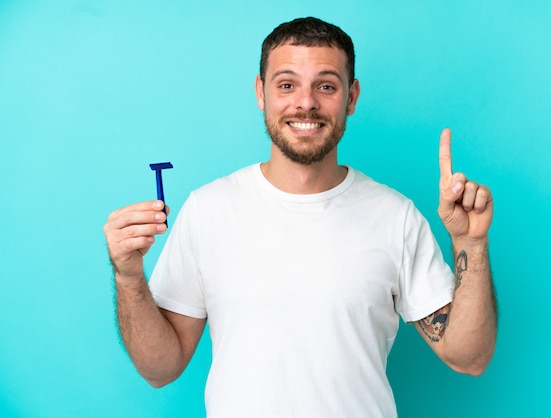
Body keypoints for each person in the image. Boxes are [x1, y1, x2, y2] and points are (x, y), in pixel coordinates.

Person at [104, 17, 497, 418]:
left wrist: (471, 244)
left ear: (352, 96)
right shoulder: (209, 210)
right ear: (261, 92)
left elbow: (469, 358)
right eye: (287, 84)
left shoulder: (395, 217)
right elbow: (160, 369)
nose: (305, 102)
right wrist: (129, 277)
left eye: (325, 86)